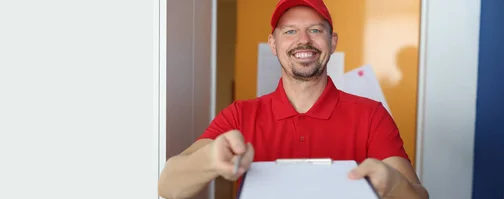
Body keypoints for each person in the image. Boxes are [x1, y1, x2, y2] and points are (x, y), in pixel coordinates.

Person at [158, 0, 429, 198]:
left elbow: (418, 196)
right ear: (273, 44)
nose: (303, 41)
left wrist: (391, 185)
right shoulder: (240, 115)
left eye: (315, 30)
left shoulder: (371, 115)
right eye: (289, 31)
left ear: (332, 42)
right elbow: (168, 186)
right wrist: (210, 161)